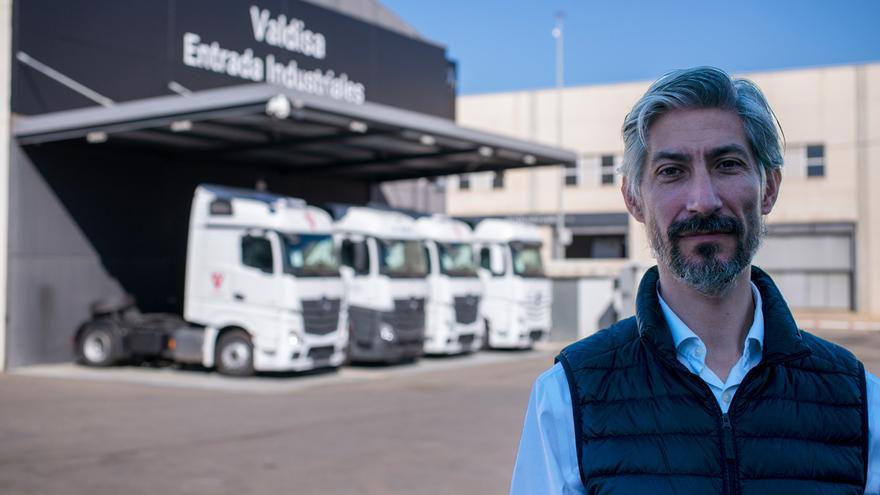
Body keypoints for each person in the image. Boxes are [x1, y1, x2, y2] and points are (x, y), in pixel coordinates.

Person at [510, 66, 880, 494]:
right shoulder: (566, 398)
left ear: (769, 188)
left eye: (727, 165)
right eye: (671, 171)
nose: (703, 201)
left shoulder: (858, 402)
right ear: (634, 198)